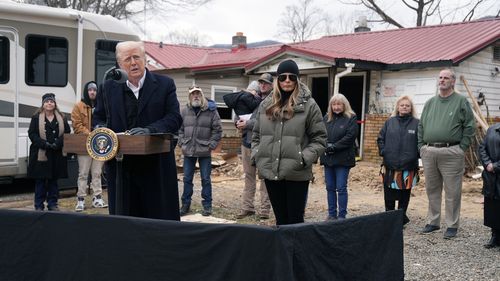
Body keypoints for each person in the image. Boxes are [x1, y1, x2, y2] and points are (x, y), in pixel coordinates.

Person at [93, 41, 182, 220]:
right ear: (119, 64)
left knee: (158, 220)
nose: (133, 63)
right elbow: (98, 117)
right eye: (128, 59)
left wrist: (150, 130)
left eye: (137, 57)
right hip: (121, 168)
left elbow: (174, 118)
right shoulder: (107, 87)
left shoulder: (165, 85)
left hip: (156, 166)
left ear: (145, 59)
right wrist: (100, 128)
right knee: (126, 221)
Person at [252, 59, 326, 225]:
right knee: (280, 219)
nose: (287, 80)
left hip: (296, 172)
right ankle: (282, 251)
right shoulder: (265, 105)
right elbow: (256, 134)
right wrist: (257, 155)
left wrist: (303, 158)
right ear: (277, 80)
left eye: (292, 77)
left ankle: (296, 252)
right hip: (271, 170)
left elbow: (320, 139)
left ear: (297, 80)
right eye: (283, 77)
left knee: (295, 221)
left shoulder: (310, 105)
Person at [418, 68, 475, 239]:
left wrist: (462, 148)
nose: (442, 80)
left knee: (452, 191)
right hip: (430, 151)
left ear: (453, 81)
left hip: (452, 152)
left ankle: (452, 225)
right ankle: (433, 222)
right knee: (432, 189)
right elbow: (421, 126)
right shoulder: (430, 103)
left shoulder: (461, 102)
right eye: (440, 77)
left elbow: (470, 127)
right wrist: (422, 146)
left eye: (446, 78)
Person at [178, 86, 222, 217]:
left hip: (204, 150)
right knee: (187, 179)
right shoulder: (184, 111)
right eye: (193, 94)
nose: (195, 96)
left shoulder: (211, 111)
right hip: (188, 150)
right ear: (190, 96)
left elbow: (217, 130)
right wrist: (181, 142)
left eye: (198, 93)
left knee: (205, 179)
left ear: (202, 95)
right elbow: (179, 129)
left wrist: (212, 144)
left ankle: (207, 206)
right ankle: (185, 205)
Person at [236, 74, 274, 220]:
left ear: (271, 85)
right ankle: (247, 208)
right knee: (249, 177)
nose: (263, 85)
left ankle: (264, 210)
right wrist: (237, 123)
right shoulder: (250, 99)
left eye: (266, 83)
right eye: (261, 83)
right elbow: (239, 114)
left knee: (264, 177)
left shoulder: (273, 100)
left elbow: (266, 121)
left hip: (264, 144)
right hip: (247, 143)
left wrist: (248, 124)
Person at [377, 95, 419, 225]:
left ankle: (400, 220)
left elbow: (421, 142)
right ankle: (389, 219)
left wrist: (415, 154)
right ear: (398, 107)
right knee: (389, 195)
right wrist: (384, 152)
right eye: (402, 105)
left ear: (411, 108)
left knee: (404, 196)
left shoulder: (417, 123)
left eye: (407, 105)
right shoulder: (390, 122)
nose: (404, 107)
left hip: (408, 167)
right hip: (390, 165)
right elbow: (380, 139)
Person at [28, 93, 70, 211]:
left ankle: (52, 203)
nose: (49, 103)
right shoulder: (36, 117)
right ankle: (39, 205)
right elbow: (32, 134)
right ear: (43, 104)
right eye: (47, 101)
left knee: (53, 180)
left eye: (51, 101)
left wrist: (58, 143)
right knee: (40, 180)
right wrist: (44, 144)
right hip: (41, 153)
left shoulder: (61, 117)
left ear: (55, 104)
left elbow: (67, 132)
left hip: (56, 153)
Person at [320, 93, 358, 220]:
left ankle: (342, 215)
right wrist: (325, 146)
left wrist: (334, 147)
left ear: (344, 105)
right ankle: (332, 214)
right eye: (334, 104)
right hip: (328, 158)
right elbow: (320, 134)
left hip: (343, 158)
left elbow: (350, 137)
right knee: (330, 187)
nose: (336, 107)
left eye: (339, 104)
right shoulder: (326, 118)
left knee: (341, 187)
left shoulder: (351, 117)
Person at [71, 81, 108, 212]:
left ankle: (97, 198)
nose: (92, 92)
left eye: (95, 90)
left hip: (100, 145)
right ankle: (80, 199)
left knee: (97, 173)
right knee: (83, 173)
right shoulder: (78, 106)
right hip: (84, 145)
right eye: (90, 90)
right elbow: (77, 125)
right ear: (86, 91)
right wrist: (92, 134)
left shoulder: (102, 106)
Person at [478, 123, 500, 249]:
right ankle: (495, 236)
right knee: (492, 206)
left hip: (495, 170)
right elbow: (482, 147)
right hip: (491, 176)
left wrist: (496, 166)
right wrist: (487, 164)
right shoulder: (492, 129)